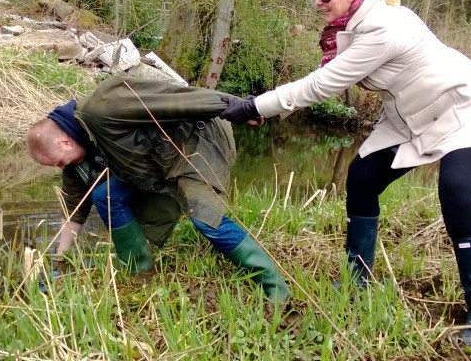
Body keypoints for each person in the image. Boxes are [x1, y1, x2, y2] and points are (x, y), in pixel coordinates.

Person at [220, 0, 471, 344]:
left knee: (456, 189)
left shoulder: (381, 28)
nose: (319, 2)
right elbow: (324, 79)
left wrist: (257, 105)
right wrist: (265, 110)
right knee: (362, 176)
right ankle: (357, 281)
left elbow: (321, 85)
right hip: (409, 116)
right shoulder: (350, 25)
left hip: (463, 108)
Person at [27, 74, 290, 303]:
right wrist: (59, 259)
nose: (59, 167)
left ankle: (277, 290)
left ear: (64, 142)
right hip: (158, 163)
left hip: (197, 142)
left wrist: (240, 106)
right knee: (104, 194)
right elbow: (74, 207)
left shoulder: (103, 106)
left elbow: (176, 99)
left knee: (207, 220)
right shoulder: (76, 158)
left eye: (57, 161)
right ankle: (138, 271)